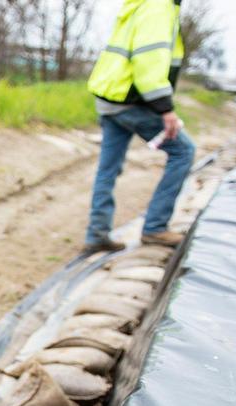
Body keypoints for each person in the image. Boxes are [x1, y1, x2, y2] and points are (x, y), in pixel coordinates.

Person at [83, 0, 196, 253]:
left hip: (110, 98)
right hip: (130, 100)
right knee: (184, 151)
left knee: (107, 169)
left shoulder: (140, 4)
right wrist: (165, 108)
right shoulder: (158, 8)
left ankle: (96, 234)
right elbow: (147, 61)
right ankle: (155, 227)